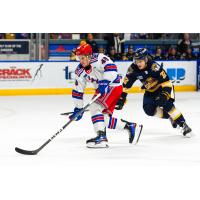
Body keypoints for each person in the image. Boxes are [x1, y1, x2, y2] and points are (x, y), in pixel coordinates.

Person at [69, 44, 143, 148]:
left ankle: (101, 138)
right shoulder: (79, 71)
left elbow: (112, 68)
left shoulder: (99, 58)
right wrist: (78, 108)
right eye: (79, 58)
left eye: (83, 57)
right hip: (102, 89)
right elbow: (78, 91)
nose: (81, 60)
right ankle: (130, 127)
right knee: (103, 119)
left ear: (89, 55)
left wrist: (105, 81)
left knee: (94, 107)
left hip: (112, 86)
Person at [115, 48, 192, 138]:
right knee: (149, 110)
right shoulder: (133, 69)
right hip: (150, 91)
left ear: (146, 59)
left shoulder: (154, 66)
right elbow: (125, 86)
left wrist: (165, 94)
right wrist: (121, 98)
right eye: (136, 61)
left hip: (162, 89)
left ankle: (183, 124)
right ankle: (171, 117)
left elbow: (167, 82)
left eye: (140, 61)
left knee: (166, 105)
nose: (138, 63)